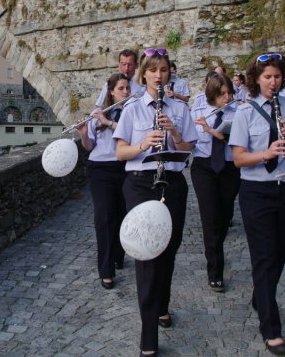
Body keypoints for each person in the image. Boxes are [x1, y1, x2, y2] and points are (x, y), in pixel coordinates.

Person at [114, 48, 197, 357]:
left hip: (172, 183)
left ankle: (162, 304)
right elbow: (121, 152)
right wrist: (142, 143)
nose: (159, 75)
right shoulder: (133, 108)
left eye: (164, 70)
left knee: (169, 250)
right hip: (140, 183)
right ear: (144, 74)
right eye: (153, 70)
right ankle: (148, 337)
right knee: (147, 255)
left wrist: (173, 130)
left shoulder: (179, 108)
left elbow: (189, 149)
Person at [229, 52, 285, 356]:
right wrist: (265, 153)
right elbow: (238, 158)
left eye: (278, 77)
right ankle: (271, 328)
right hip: (257, 190)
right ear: (257, 80)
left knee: (281, 252)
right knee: (264, 257)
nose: (273, 82)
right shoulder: (245, 112)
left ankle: (260, 296)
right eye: (268, 77)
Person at [76, 73, 131, 290]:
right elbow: (89, 146)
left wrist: (107, 122)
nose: (125, 92)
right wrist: (83, 134)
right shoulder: (96, 114)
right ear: (111, 91)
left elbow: (133, 135)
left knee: (122, 213)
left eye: (127, 88)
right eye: (121, 88)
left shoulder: (133, 111)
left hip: (125, 166)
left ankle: (118, 254)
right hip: (100, 168)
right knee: (104, 216)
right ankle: (106, 270)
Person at [190, 73, 240, 293]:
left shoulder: (238, 112)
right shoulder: (198, 111)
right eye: (222, 94)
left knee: (225, 214)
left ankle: (216, 247)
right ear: (212, 94)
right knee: (210, 216)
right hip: (204, 167)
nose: (227, 98)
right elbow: (187, 140)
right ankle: (215, 269)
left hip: (229, 168)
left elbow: (240, 138)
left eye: (229, 93)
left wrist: (212, 131)